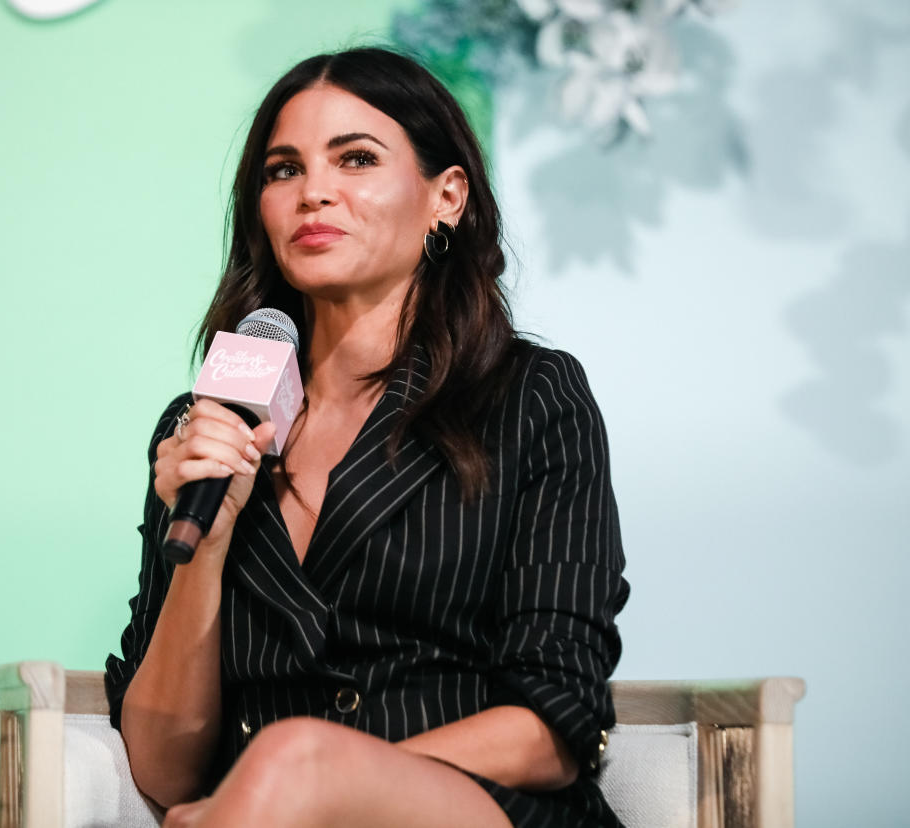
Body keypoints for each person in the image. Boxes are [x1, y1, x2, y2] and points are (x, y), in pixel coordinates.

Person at [105, 47, 629, 828]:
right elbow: (165, 770)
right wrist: (206, 545)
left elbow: (554, 724)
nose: (314, 191)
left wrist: (307, 781)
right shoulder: (208, 424)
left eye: (355, 159)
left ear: (446, 197)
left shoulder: (531, 396)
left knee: (287, 760)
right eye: (283, 171)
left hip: (481, 808)